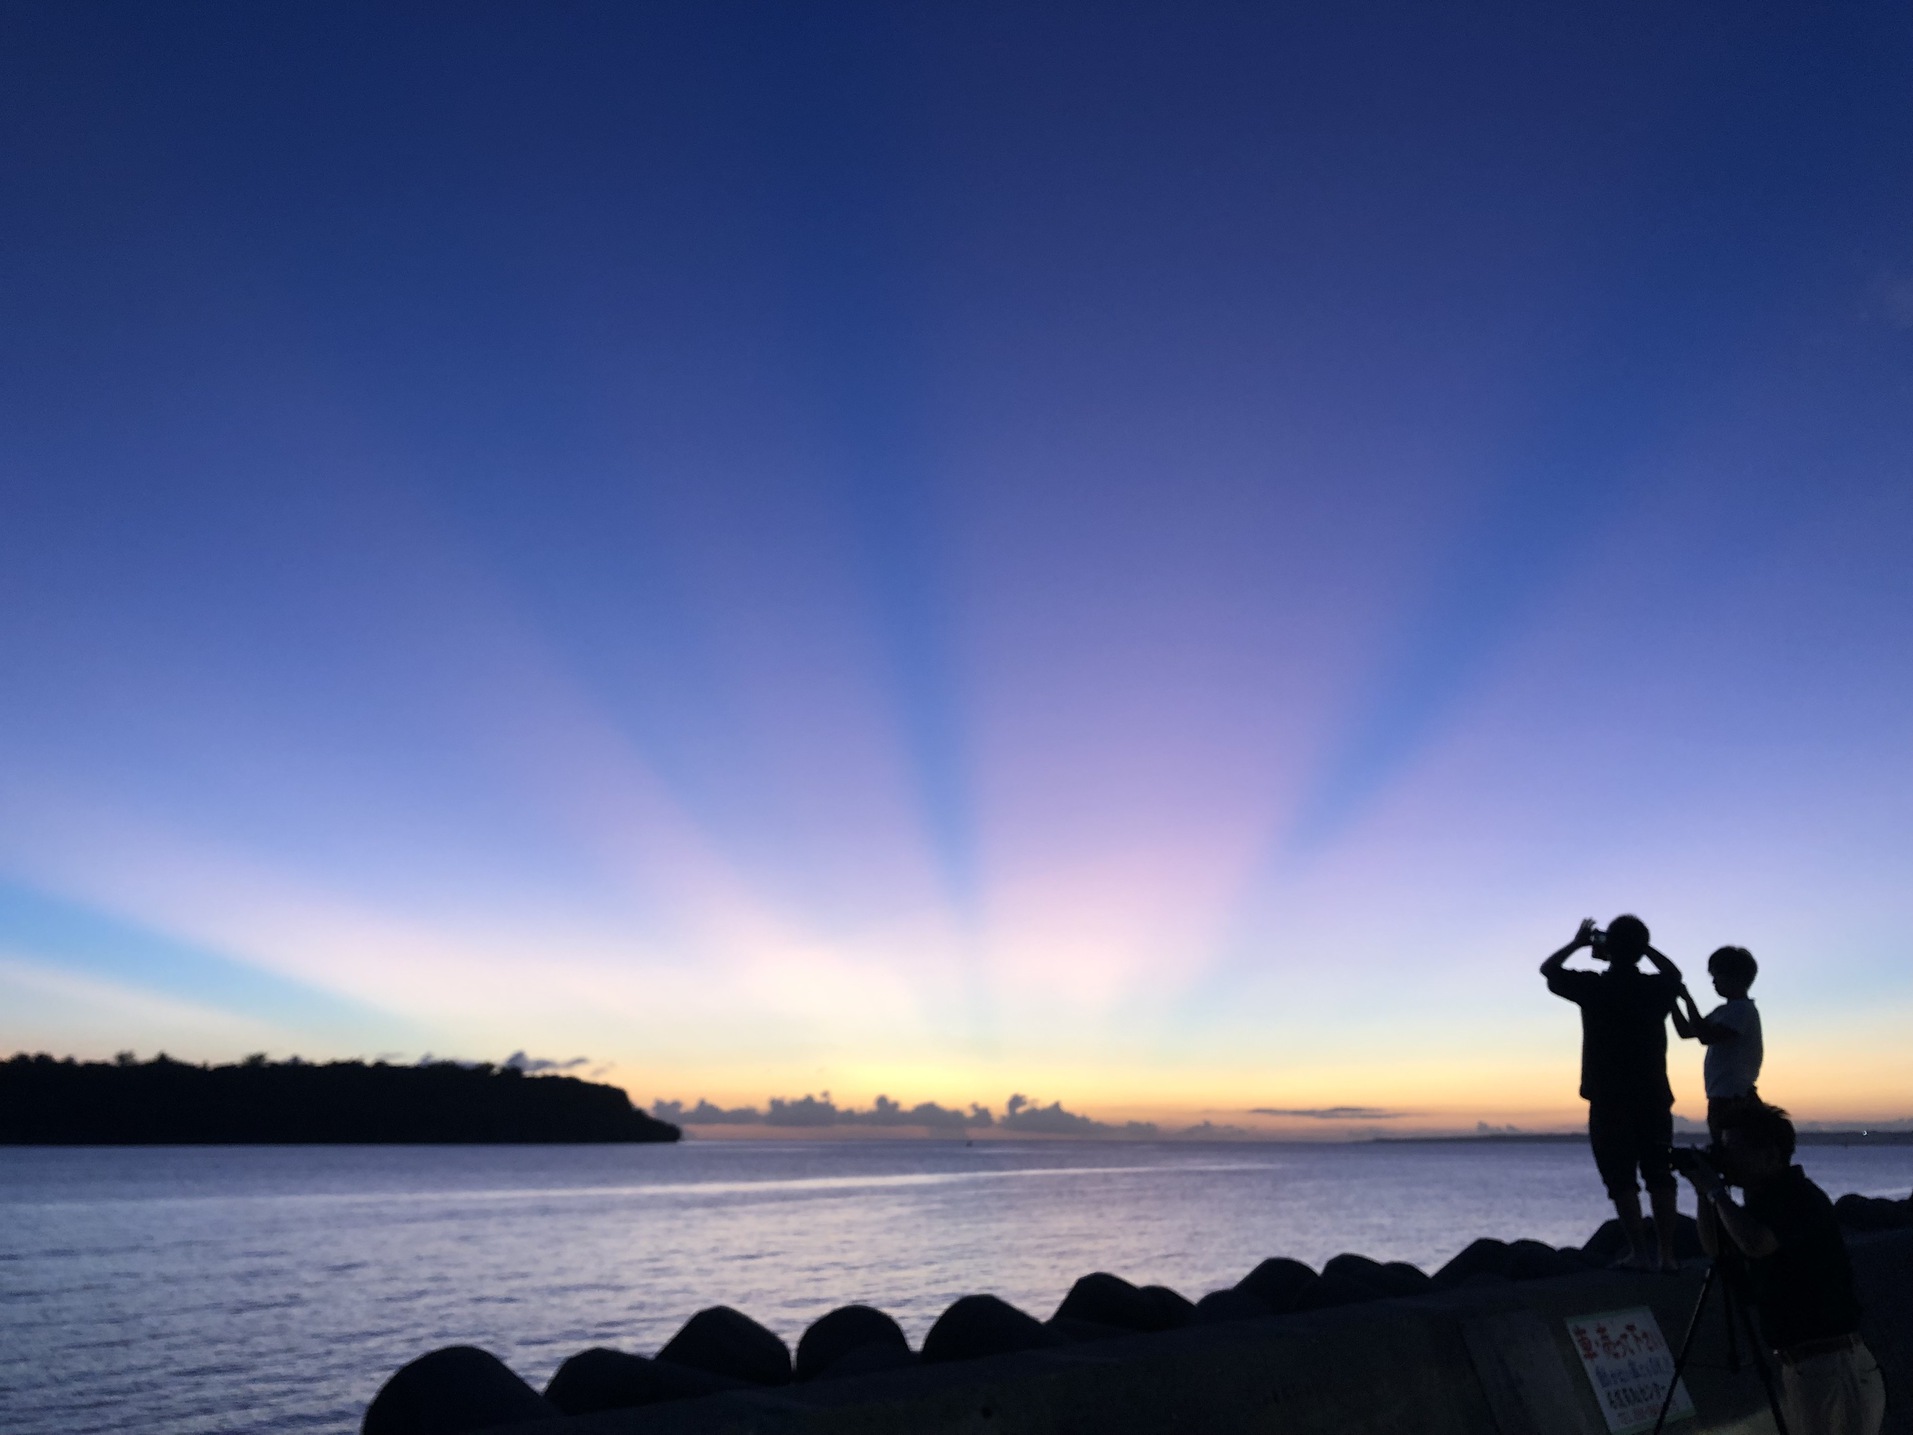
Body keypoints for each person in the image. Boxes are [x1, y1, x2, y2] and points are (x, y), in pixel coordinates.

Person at [1677, 1101, 1884, 1435]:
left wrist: (1716, 1190)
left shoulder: (1799, 1197)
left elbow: (1756, 1243)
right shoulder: (1759, 1204)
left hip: (1832, 1365)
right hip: (1804, 1366)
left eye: (1733, 1150)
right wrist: (1704, 1194)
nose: (1726, 1160)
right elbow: (1716, 1248)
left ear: (1770, 1155)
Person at [1540, 914, 1686, 1270]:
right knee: (1659, 1174)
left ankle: (1640, 1253)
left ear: (1608, 948)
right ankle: (1667, 1255)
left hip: (1609, 1096)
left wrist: (1580, 943)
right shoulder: (1656, 988)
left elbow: (1548, 969)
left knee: (1620, 1177)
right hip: (1653, 1093)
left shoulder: (1595, 987)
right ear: (1640, 949)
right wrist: (1640, 947)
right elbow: (1675, 975)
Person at [1671, 945, 1763, 1141]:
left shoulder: (1742, 1011)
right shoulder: (1724, 1011)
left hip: (1734, 1097)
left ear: (1735, 977)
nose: (1713, 981)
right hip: (1721, 1096)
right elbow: (1687, 1031)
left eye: (1717, 975)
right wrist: (1672, 1002)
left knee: (1731, 1152)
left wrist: (1687, 1000)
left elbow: (1705, 1036)